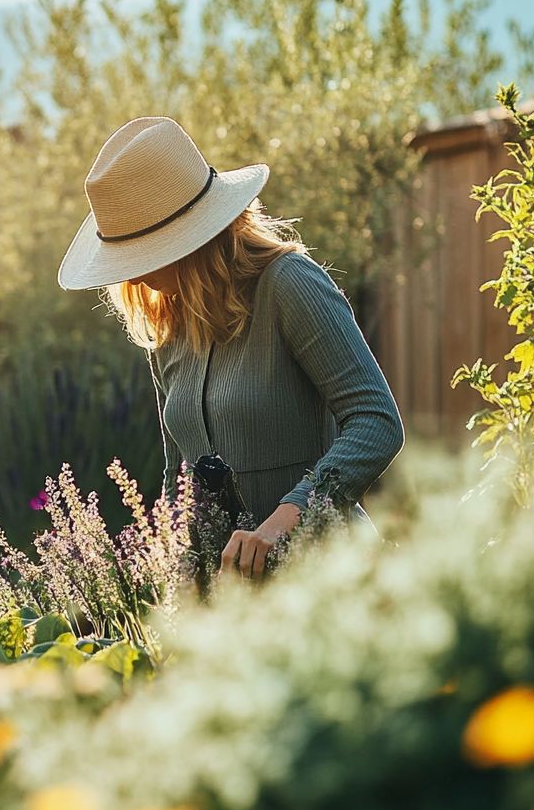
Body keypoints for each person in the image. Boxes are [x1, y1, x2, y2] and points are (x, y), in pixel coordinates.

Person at [57, 116, 404, 579]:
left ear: (189, 237)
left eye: (142, 252)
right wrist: (168, 567)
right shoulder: (166, 326)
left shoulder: (288, 286)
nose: (134, 275)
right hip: (229, 604)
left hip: (328, 580)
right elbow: (179, 478)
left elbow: (376, 421)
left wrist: (287, 518)